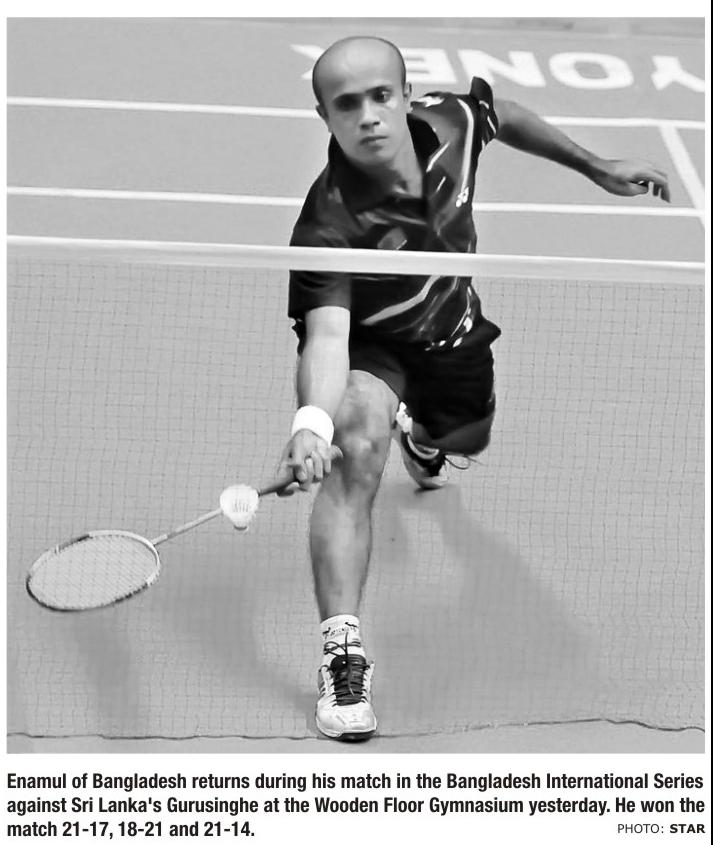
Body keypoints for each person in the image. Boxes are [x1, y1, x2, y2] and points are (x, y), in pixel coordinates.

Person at [277, 36, 670, 742]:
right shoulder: (327, 223)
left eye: (380, 96)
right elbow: (327, 337)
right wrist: (312, 422)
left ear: (405, 96)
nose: (368, 115)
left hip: (451, 331)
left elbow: (502, 114)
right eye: (347, 104)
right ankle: (343, 654)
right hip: (370, 347)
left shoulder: (450, 124)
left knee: (464, 435)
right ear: (324, 116)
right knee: (355, 448)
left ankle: (422, 438)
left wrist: (595, 165)